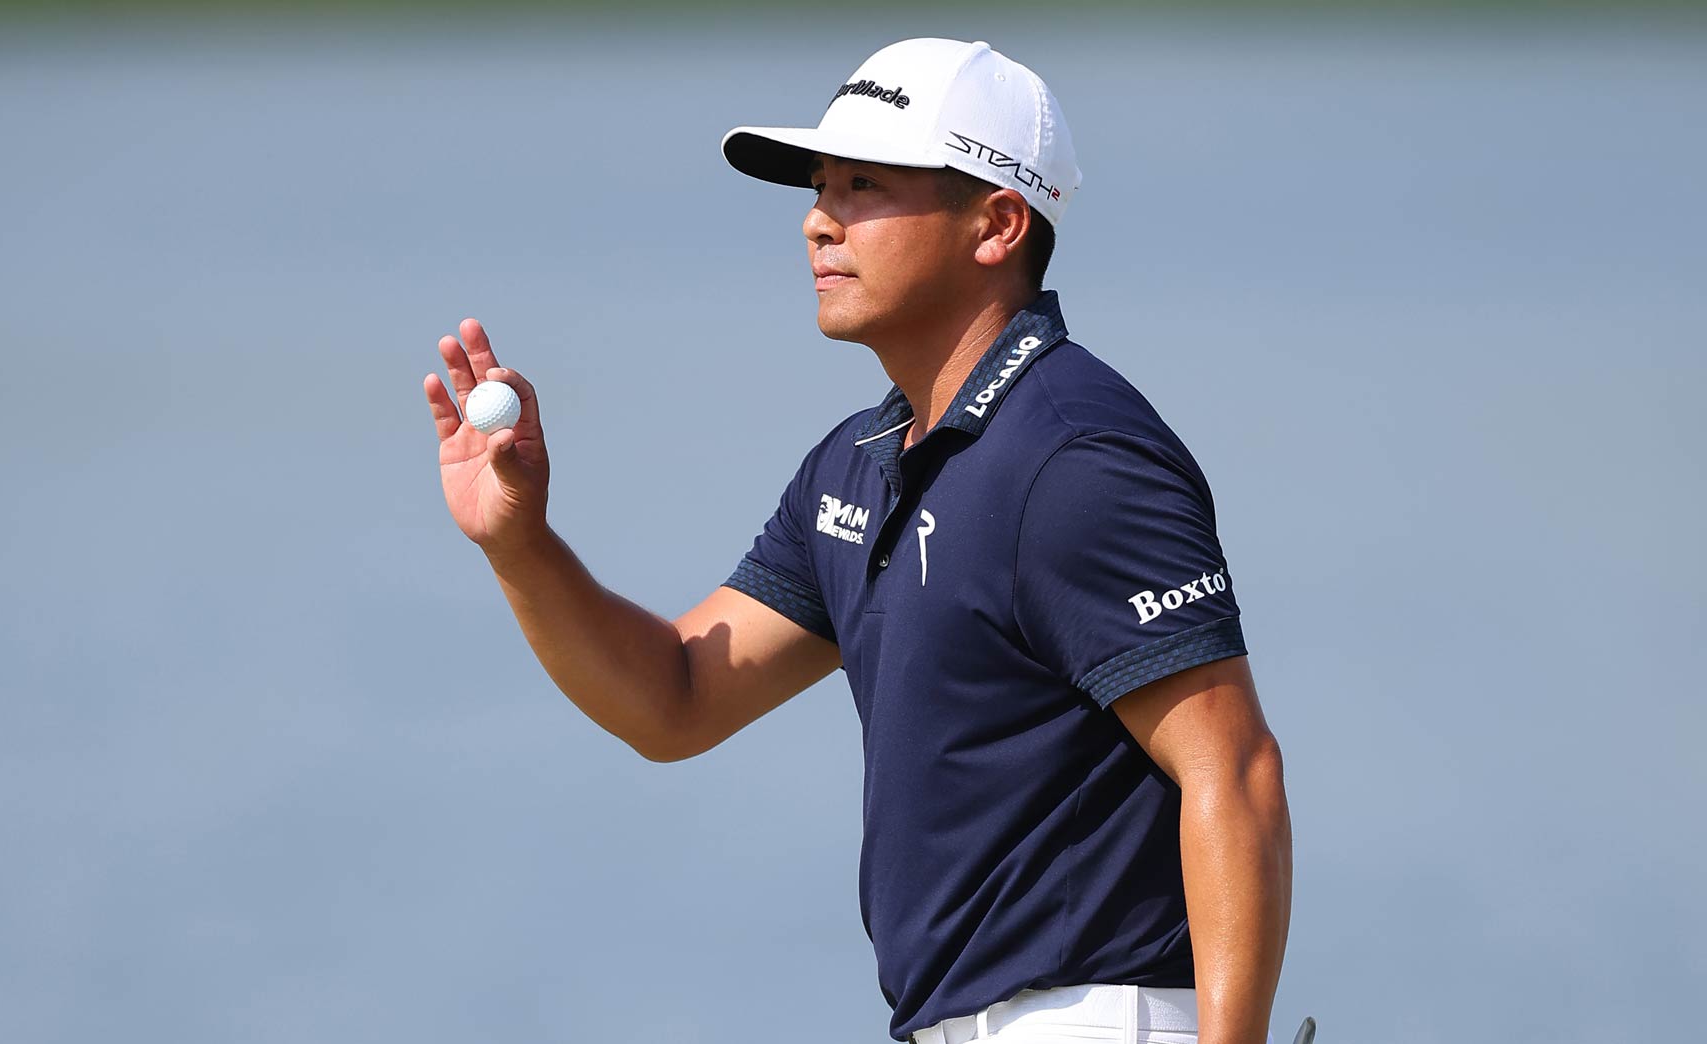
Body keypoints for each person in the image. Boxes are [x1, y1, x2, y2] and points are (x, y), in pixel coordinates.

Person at [421, 37, 1292, 1044]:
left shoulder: (1072, 455)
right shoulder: (858, 461)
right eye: (818, 186)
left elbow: (1234, 773)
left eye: (863, 187)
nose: (816, 221)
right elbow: (674, 699)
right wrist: (520, 545)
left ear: (996, 225)